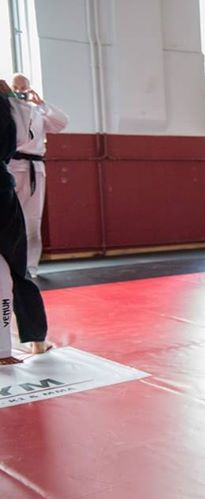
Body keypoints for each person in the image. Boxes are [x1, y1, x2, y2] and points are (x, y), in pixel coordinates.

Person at [0, 80, 51, 364]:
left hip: (6, 183)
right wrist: (9, 97)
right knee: (14, 267)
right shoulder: (8, 102)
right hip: (3, 189)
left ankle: (30, 340)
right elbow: (22, 135)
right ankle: (34, 340)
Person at [9, 74, 68, 278]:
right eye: (16, 87)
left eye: (23, 88)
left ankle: (30, 266)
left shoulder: (38, 112)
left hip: (34, 168)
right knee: (9, 218)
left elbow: (61, 123)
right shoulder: (6, 109)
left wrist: (42, 104)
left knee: (33, 221)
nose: (20, 91)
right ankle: (9, 266)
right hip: (11, 166)